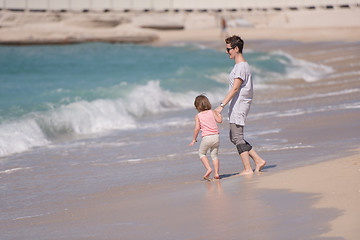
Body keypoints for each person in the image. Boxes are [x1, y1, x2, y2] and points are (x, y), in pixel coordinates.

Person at [215, 35, 266, 175]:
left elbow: (235, 88)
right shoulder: (241, 66)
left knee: (237, 137)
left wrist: (221, 105)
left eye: (229, 49)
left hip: (239, 105)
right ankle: (258, 160)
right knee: (234, 137)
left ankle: (248, 168)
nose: (227, 52)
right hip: (238, 104)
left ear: (236, 49)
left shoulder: (241, 67)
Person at [189, 95, 222, 181]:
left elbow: (197, 128)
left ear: (197, 106)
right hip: (216, 136)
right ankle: (216, 173)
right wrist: (219, 114)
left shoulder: (198, 116)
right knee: (214, 155)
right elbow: (219, 120)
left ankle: (208, 169)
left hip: (207, 138)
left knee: (202, 153)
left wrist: (194, 139)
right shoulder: (212, 112)